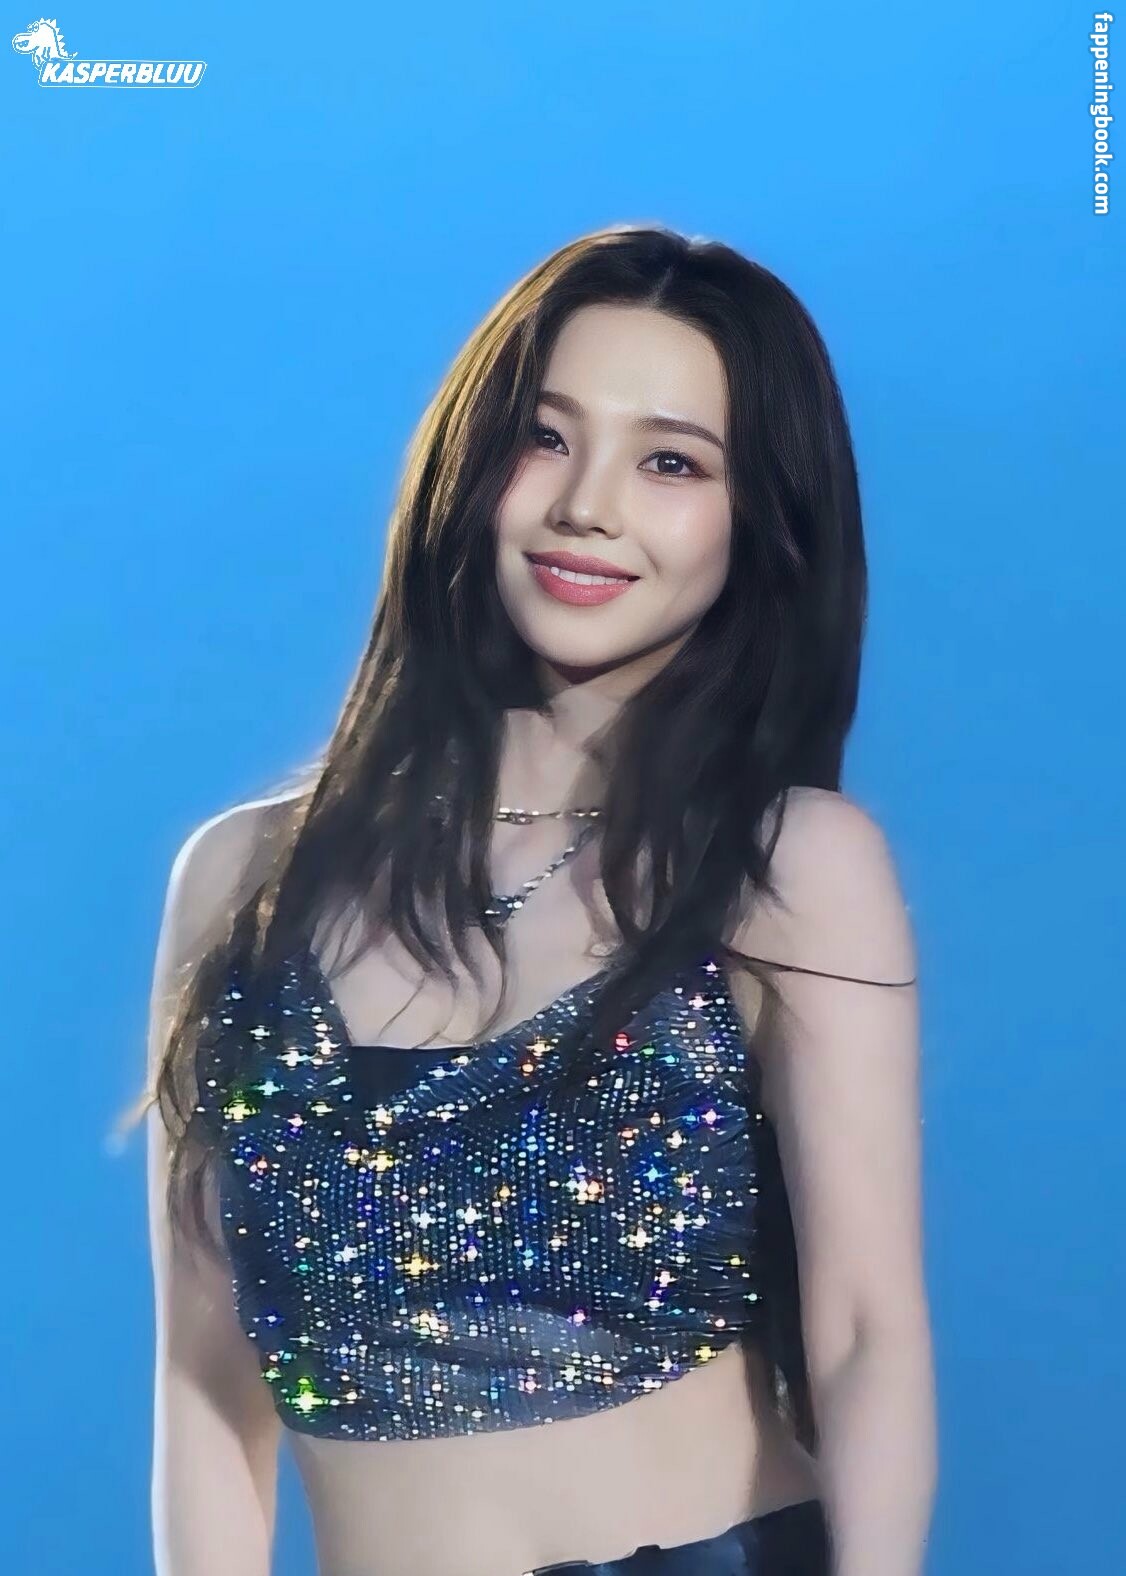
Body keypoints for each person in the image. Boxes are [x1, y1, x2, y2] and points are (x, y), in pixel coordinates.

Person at [127, 223, 937, 1576]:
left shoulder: (785, 863)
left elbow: (864, 1332)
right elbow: (204, 1383)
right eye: (545, 438)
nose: (587, 507)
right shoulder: (241, 880)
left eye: (671, 463)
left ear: (758, 523)